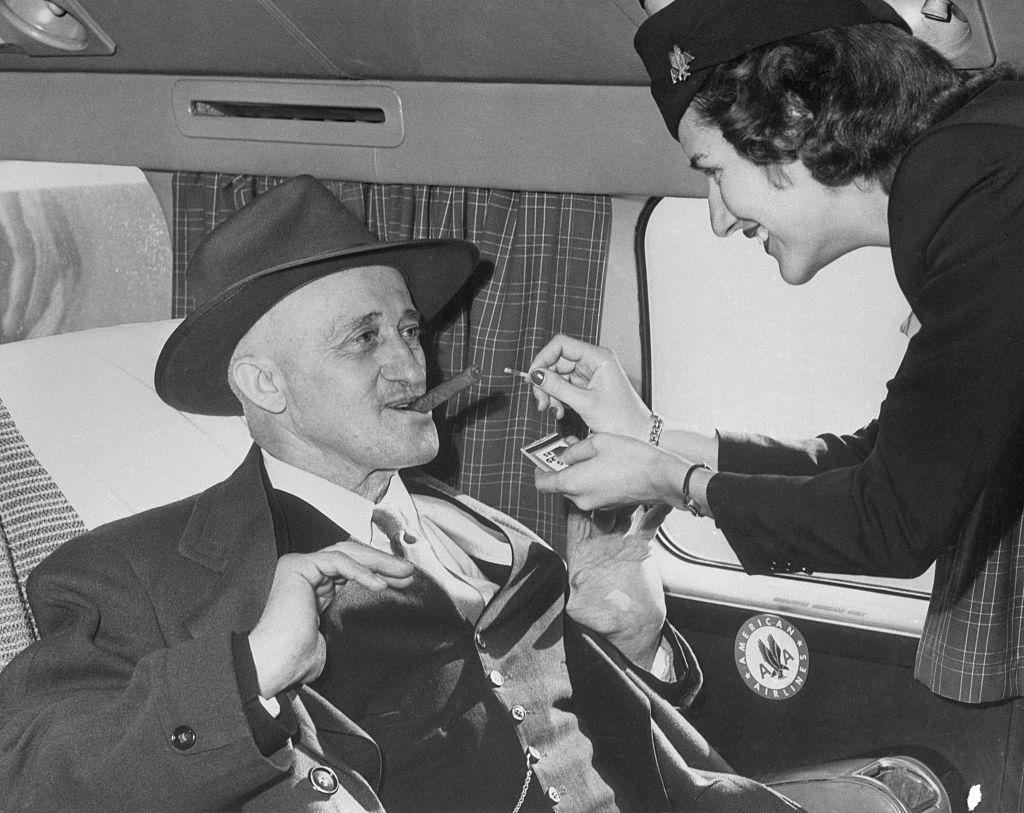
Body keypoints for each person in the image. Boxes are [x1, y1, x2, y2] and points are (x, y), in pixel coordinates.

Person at [0, 176, 812, 812]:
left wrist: (637, 637)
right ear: (265, 384)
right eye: (364, 338)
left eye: (410, 330)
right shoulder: (129, 574)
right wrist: (249, 672)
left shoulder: (497, 535)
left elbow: (631, 743)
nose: (412, 365)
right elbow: (33, 780)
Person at [527, 0, 1024, 715]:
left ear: (791, 117)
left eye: (713, 170)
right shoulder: (976, 166)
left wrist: (669, 481)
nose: (717, 217)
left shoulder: (986, 193)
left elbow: (891, 522)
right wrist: (652, 438)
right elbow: (882, 462)